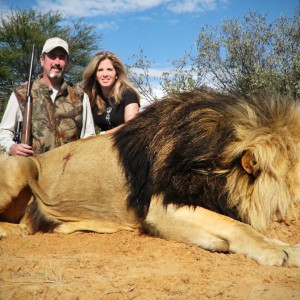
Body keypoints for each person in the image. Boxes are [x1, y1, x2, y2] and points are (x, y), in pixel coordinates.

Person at [0, 37, 95, 156]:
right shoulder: (22, 93)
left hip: (70, 170)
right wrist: (11, 147)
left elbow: (89, 135)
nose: (57, 62)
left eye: (62, 57)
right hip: (33, 170)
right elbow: (4, 132)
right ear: (42, 60)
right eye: (52, 56)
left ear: (67, 62)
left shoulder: (80, 95)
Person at [82, 51, 140, 134]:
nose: (105, 74)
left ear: (116, 73)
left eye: (109, 70)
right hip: (104, 144)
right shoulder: (91, 96)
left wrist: (104, 135)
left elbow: (132, 124)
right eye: (100, 70)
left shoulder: (128, 93)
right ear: (95, 75)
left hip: (126, 142)